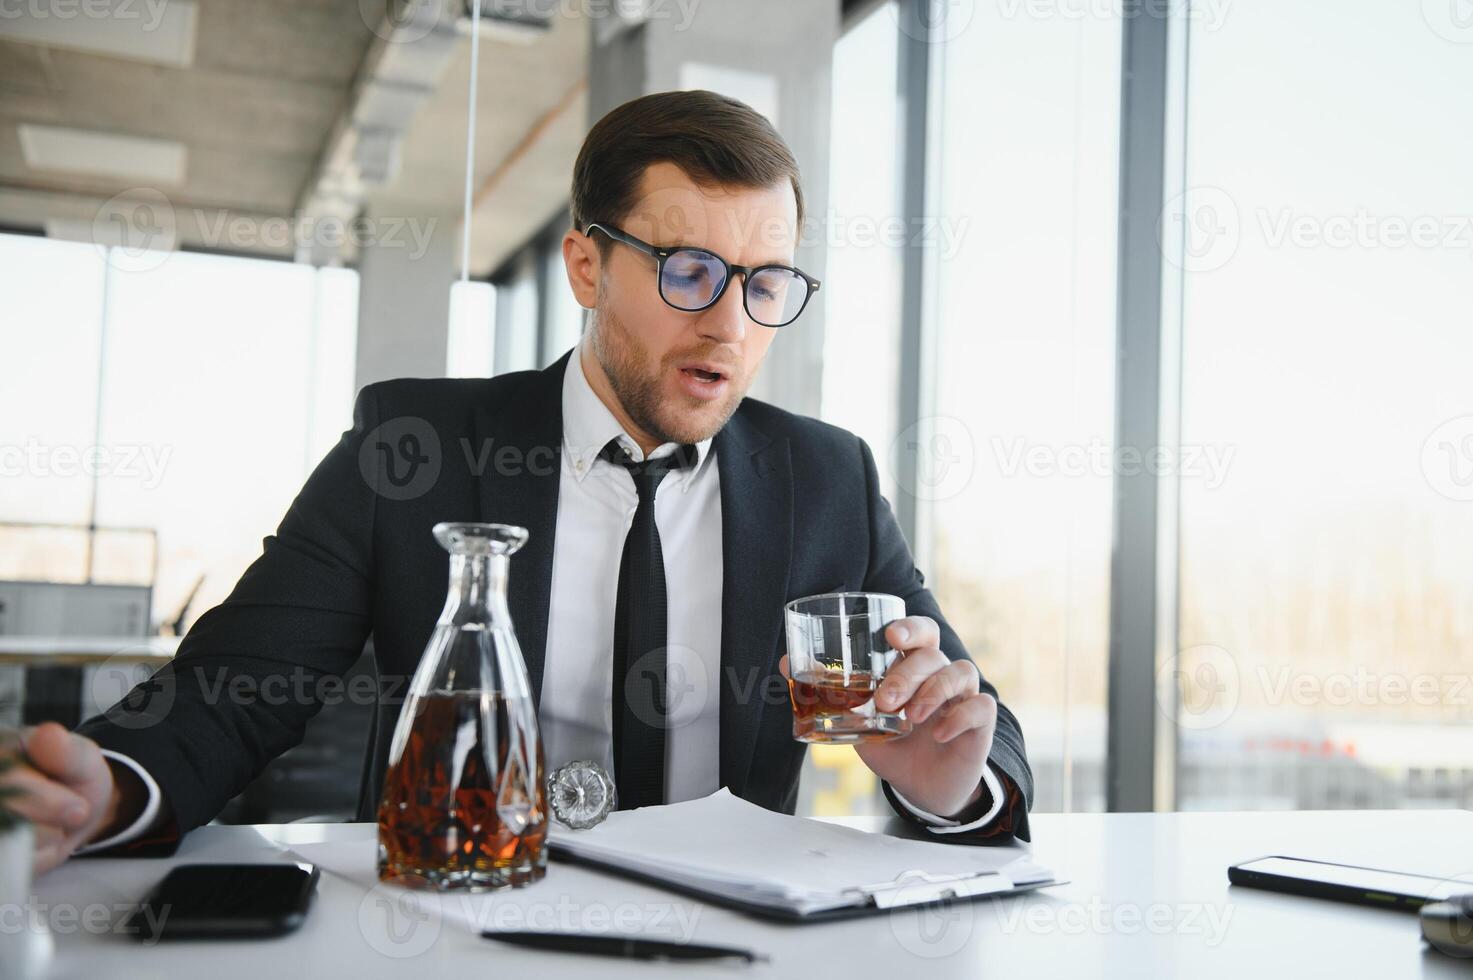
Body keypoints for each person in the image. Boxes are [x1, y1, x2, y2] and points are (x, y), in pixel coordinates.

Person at [8, 90, 1031, 876]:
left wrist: (954, 785)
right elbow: (231, 695)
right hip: (462, 922)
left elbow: (977, 734)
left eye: (765, 284)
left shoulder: (827, 477)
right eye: (688, 272)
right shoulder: (414, 446)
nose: (729, 323)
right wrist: (110, 789)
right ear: (585, 267)